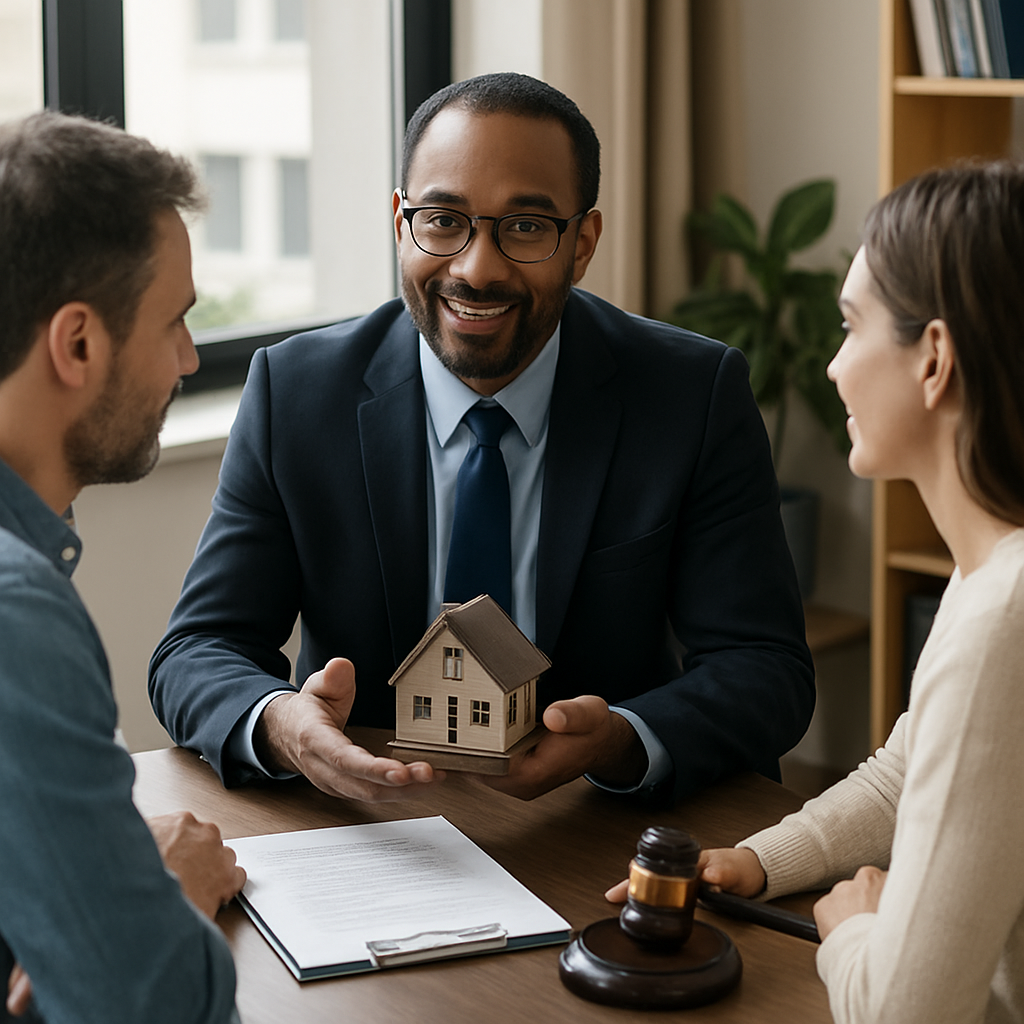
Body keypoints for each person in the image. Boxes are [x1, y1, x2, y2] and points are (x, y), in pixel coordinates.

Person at [149, 72, 814, 807]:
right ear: (400, 222)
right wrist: (283, 725)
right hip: (372, 821)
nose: (477, 269)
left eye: (525, 227)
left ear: (582, 242)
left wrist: (621, 739)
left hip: (592, 824)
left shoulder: (690, 395)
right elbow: (197, 650)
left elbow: (765, 669)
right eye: (443, 220)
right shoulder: (297, 393)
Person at [609, 162, 1024, 1023]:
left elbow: (906, 1013)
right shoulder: (992, 570)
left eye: (850, 326)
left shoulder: (1003, 619)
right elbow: (908, 773)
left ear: (934, 359)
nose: (833, 367)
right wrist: (764, 858)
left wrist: (855, 925)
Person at [0, 111, 243, 1023]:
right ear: (77, 344)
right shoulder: (15, 614)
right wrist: (163, 891)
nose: (188, 357)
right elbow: (153, 1007)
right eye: (173, 321)